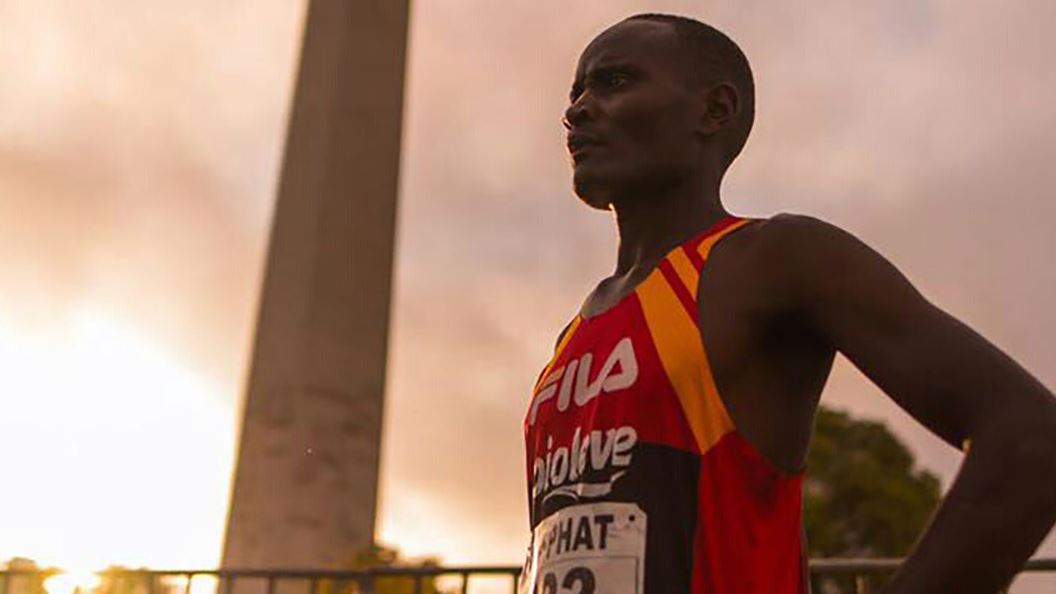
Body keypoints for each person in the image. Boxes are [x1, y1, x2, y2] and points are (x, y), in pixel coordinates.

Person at [519, 12, 1056, 594]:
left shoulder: (771, 260)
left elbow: (1031, 440)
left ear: (714, 110)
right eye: (575, 93)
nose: (577, 110)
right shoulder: (576, 332)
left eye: (615, 82)